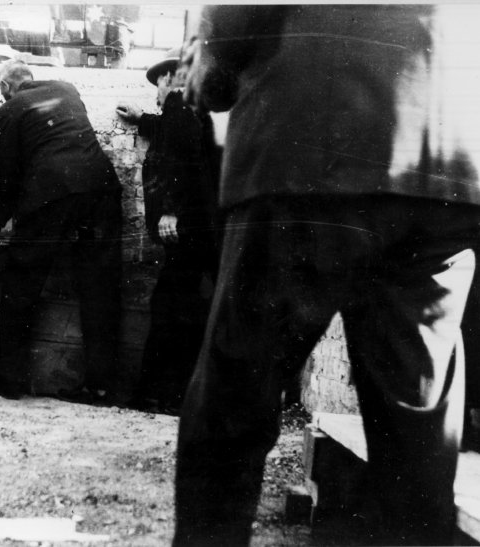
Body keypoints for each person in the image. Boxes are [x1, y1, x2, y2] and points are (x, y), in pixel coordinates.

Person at [175, 5, 480, 546]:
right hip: (448, 158)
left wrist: (210, 55)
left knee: (235, 395)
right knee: (417, 419)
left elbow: (235, 22)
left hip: (316, 139)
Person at [0, 60, 123, 403]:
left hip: (51, 192)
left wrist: (4, 215)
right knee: (100, 286)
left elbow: (9, 172)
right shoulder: (66, 88)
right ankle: (101, 386)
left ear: (5, 88)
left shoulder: (10, 108)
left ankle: (9, 380)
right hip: (100, 187)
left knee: (22, 283)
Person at [115, 48, 221, 414]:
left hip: (188, 228)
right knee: (185, 306)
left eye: (157, 87)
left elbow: (182, 158)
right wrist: (144, 118)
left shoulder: (179, 107)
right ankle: (173, 395)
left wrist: (172, 211)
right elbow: (177, 137)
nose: (157, 95)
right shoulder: (193, 111)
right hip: (206, 229)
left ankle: (164, 395)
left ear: (167, 78)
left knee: (170, 308)